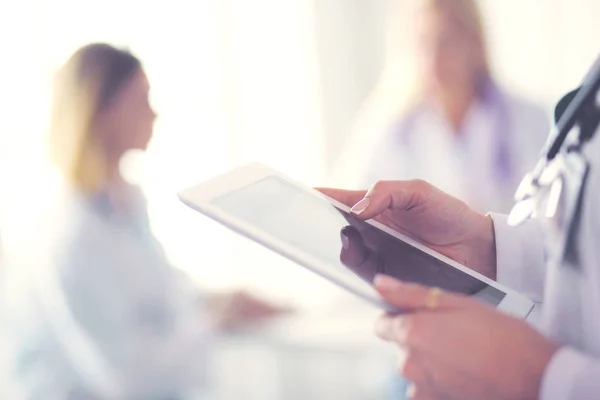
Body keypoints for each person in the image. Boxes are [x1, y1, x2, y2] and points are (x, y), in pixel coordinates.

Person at [2, 43, 285, 400]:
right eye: (141, 100)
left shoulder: (123, 206)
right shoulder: (70, 235)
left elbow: (153, 296)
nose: (154, 114)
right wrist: (216, 321)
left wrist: (220, 301)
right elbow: (123, 377)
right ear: (101, 112)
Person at [319, 63, 600, 399]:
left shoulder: (521, 115)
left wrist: (542, 378)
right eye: (427, 40)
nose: (439, 55)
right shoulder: (391, 123)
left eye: (452, 36)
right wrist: (486, 245)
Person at [336, 0, 549, 213]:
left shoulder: (528, 120)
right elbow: (353, 205)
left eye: (446, 41)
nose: (434, 59)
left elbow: (550, 217)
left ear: (475, 42)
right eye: (424, 42)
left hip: (502, 246)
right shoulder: (388, 126)